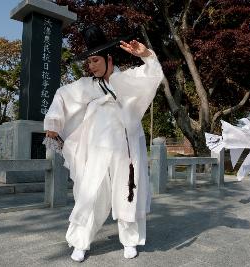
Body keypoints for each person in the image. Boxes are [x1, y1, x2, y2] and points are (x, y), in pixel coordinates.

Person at [42, 25, 163, 262]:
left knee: (128, 191)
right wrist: (54, 123)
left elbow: (153, 76)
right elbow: (62, 95)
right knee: (90, 193)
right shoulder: (86, 86)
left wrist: (146, 55)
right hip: (97, 149)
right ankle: (80, 241)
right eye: (89, 62)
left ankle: (129, 240)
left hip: (126, 148)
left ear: (109, 58)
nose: (91, 66)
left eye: (95, 60)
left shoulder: (127, 79)